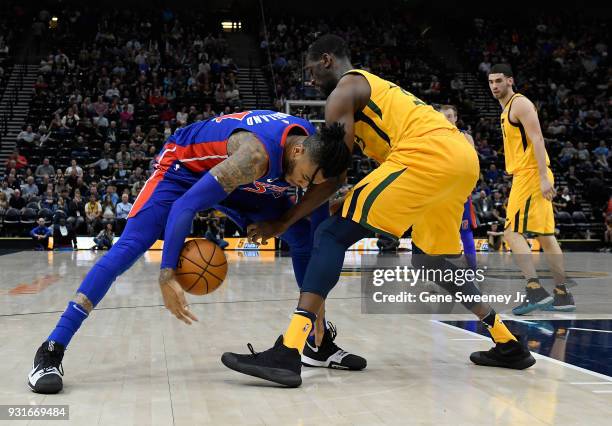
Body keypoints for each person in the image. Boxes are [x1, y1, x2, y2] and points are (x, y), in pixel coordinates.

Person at [222, 35, 534, 388]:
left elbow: (335, 173)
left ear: (326, 60)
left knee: (329, 233)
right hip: (460, 161)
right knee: (430, 262)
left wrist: (282, 221)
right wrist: (342, 198)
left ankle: (289, 350)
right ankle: (507, 342)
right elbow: (340, 177)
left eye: (310, 70)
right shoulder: (373, 88)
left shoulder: (343, 90)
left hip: (425, 157)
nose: (309, 80)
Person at [27, 110, 356, 394]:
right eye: (303, 179)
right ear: (297, 151)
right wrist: (167, 274)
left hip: (243, 182)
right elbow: (185, 206)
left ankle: (316, 340)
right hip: (183, 171)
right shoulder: (254, 156)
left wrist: (284, 223)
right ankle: (52, 349)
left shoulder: (317, 154)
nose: (302, 186)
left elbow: (314, 216)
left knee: (302, 238)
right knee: (131, 246)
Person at [487, 64, 575, 314]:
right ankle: (562, 295)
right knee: (546, 236)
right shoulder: (506, 109)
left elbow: (537, 138)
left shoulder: (520, 104)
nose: (494, 86)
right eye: (491, 82)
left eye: (499, 81)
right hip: (529, 174)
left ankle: (534, 289)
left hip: (531, 175)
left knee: (511, 233)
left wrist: (543, 177)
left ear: (510, 81)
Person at [440, 105, 478, 271]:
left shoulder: (465, 137)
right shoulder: (434, 137)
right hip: (440, 191)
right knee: (438, 231)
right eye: (443, 116)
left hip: (460, 192)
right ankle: (437, 271)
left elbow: (473, 164)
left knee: (465, 230)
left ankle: (472, 269)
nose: (446, 119)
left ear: (455, 118)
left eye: (449, 116)